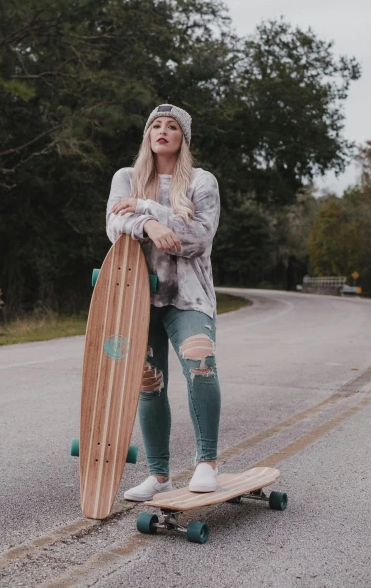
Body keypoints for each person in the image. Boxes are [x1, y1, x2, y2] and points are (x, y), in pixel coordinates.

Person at [106, 103, 221, 502]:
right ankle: (158, 475)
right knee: (148, 384)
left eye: (172, 126)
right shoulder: (126, 177)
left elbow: (198, 238)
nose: (163, 130)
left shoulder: (202, 182)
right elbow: (113, 225)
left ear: (182, 138)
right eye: (156, 124)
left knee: (201, 365)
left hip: (189, 297)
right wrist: (149, 223)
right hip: (138, 297)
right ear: (147, 135)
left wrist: (147, 208)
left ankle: (207, 462)